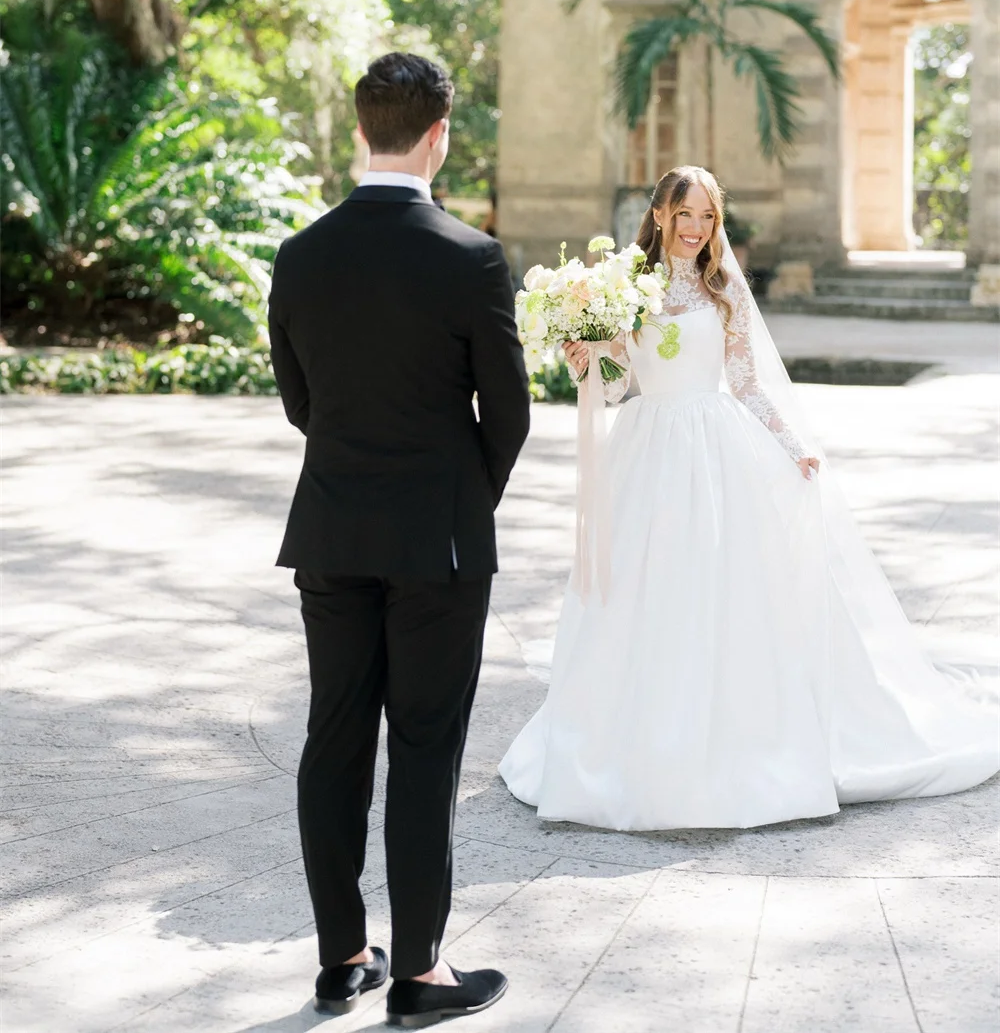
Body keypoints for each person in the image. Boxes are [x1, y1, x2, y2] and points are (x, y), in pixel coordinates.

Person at [499, 164, 998, 832]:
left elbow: (746, 383)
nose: (695, 228)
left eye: (707, 216)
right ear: (660, 215)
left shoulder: (724, 285)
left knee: (720, 588)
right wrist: (589, 360)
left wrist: (793, 446)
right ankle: (635, 737)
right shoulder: (627, 286)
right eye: (684, 214)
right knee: (645, 586)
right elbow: (618, 388)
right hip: (647, 451)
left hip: (715, 449)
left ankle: (733, 735)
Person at [269, 52, 530, 1025]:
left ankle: (343, 959)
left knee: (332, 738)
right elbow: (508, 414)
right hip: (439, 545)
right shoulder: (471, 256)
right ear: (439, 135)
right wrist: (462, 499)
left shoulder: (300, 254)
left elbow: (301, 401)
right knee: (424, 748)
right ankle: (419, 972)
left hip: (331, 530)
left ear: (361, 131)